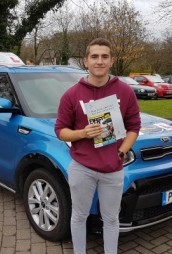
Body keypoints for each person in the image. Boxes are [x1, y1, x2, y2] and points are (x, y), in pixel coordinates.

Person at [55, 38, 141, 254]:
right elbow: (60, 131)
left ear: (112, 60)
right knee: (79, 215)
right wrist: (82, 133)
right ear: (86, 61)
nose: (99, 61)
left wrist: (121, 152)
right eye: (94, 57)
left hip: (113, 169)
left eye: (104, 57)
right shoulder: (72, 94)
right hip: (82, 167)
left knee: (111, 218)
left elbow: (134, 127)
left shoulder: (125, 92)